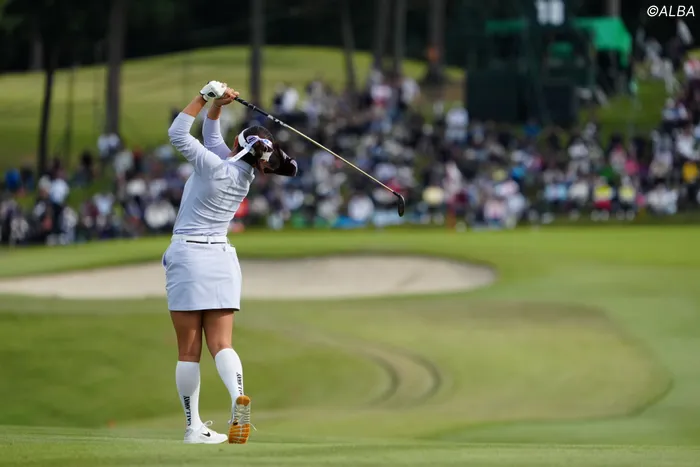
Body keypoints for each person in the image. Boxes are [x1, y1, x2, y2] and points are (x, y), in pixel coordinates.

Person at [165, 81, 298, 445]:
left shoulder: (213, 166)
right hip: (221, 259)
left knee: (188, 350)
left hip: (189, 256)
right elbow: (212, 138)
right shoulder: (243, 172)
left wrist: (202, 96)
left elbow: (177, 134)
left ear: (238, 146)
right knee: (222, 344)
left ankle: (193, 427)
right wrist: (218, 107)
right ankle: (237, 397)